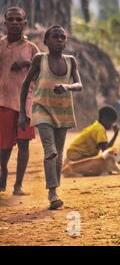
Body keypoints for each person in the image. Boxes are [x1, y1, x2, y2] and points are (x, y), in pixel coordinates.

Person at [19, 25, 82, 210]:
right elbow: (25, 86)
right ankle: (52, 192)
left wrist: (67, 87)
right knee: (51, 150)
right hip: (41, 109)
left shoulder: (71, 61)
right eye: (55, 37)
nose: (59, 40)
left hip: (63, 112)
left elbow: (79, 84)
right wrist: (23, 113)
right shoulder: (40, 59)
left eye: (63, 37)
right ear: (46, 41)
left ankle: (55, 189)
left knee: (59, 154)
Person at [0, 7, 39, 195]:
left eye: (19, 20)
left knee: (24, 143)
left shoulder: (32, 49)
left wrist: (27, 63)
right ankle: (3, 171)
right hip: (4, 101)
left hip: (26, 103)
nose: (15, 23)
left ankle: (18, 186)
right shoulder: (0, 46)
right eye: (11, 19)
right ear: (5, 22)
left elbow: (42, 72)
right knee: (4, 145)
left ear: (25, 23)